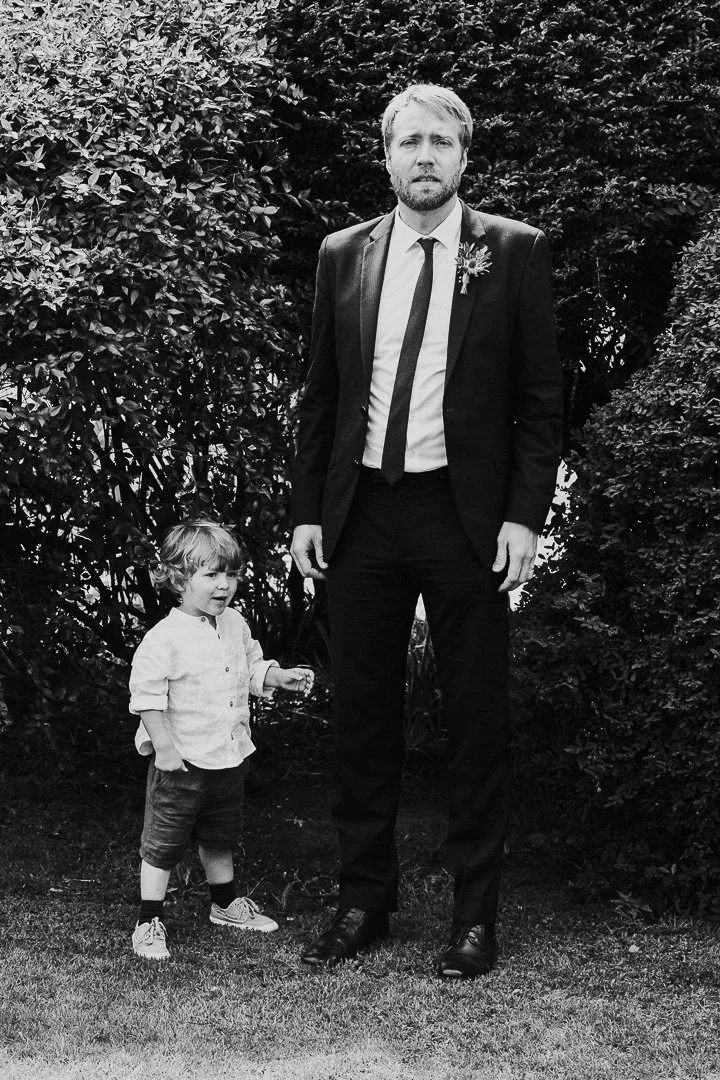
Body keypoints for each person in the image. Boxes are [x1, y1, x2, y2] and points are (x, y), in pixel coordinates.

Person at [290, 85, 563, 978]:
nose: (424, 158)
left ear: (464, 159)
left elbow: (538, 401)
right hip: (363, 513)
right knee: (361, 718)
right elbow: (322, 395)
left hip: (465, 518)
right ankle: (364, 899)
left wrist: (526, 513)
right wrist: (305, 508)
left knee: (475, 720)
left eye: (441, 143)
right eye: (409, 142)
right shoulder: (343, 254)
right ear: (387, 156)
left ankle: (474, 917)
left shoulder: (512, 252)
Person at [129, 518, 314, 960]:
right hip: (182, 762)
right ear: (178, 578)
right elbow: (147, 699)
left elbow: (249, 666)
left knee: (220, 835)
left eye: (229, 574)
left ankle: (226, 904)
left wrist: (277, 676)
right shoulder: (164, 639)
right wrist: (166, 749)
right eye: (210, 575)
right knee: (164, 842)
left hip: (228, 757)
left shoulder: (233, 623)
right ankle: (148, 919)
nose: (223, 585)